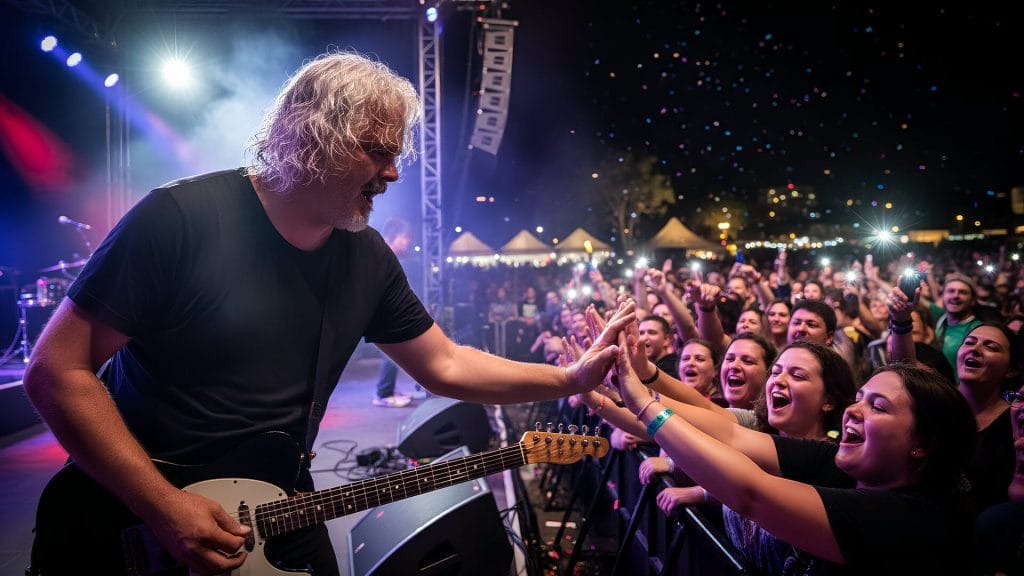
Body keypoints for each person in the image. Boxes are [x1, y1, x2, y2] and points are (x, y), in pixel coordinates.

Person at [23, 51, 632, 576]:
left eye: (396, 154)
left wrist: (569, 378)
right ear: (312, 135)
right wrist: (159, 502)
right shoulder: (178, 219)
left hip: (279, 504)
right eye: (376, 151)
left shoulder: (364, 256)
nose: (393, 172)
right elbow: (57, 371)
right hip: (129, 517)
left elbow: (444, 363)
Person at [613, 315, 978, 575]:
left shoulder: (910, 517)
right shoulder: (839, 460)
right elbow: (729, 434)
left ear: (922, 444)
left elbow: (751, 493)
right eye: (861, 398)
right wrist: (626, 388)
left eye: (877, 406)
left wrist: (645, 404)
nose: (855, 410)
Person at [372, 217, 417, 407]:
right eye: (404, 237)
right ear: (393, 236)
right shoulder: (383, 255)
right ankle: (383, 393)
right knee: (393, 352)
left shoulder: (385, 255)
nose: (407, 242)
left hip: (382, 310)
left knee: (394, 353)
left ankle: (387, 390)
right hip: (380, 311)